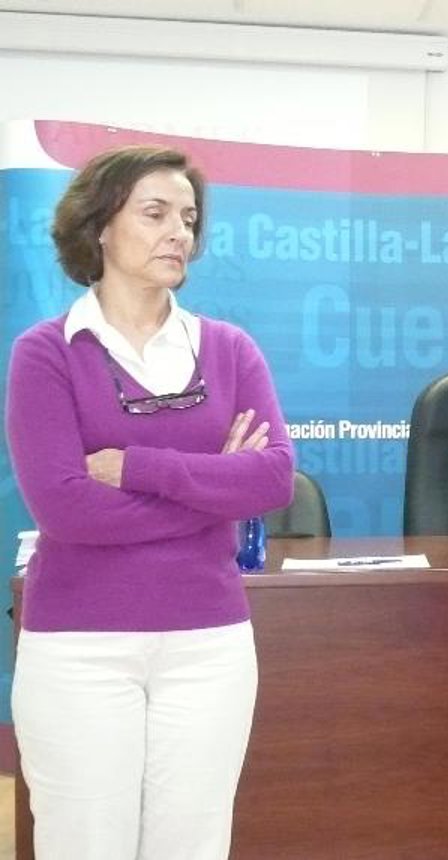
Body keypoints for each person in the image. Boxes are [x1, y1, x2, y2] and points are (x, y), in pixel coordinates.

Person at [5, 145, 295, 859]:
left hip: (209, 645)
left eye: (188, 219)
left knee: (192, 844)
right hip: (80, 648)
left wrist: (139, 467)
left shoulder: (230, 350)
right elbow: (66, 510)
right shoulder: (45, 353)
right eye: (156, 214)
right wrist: (215, 485)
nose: (178, 234)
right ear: (101, 226)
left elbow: (272, 480)